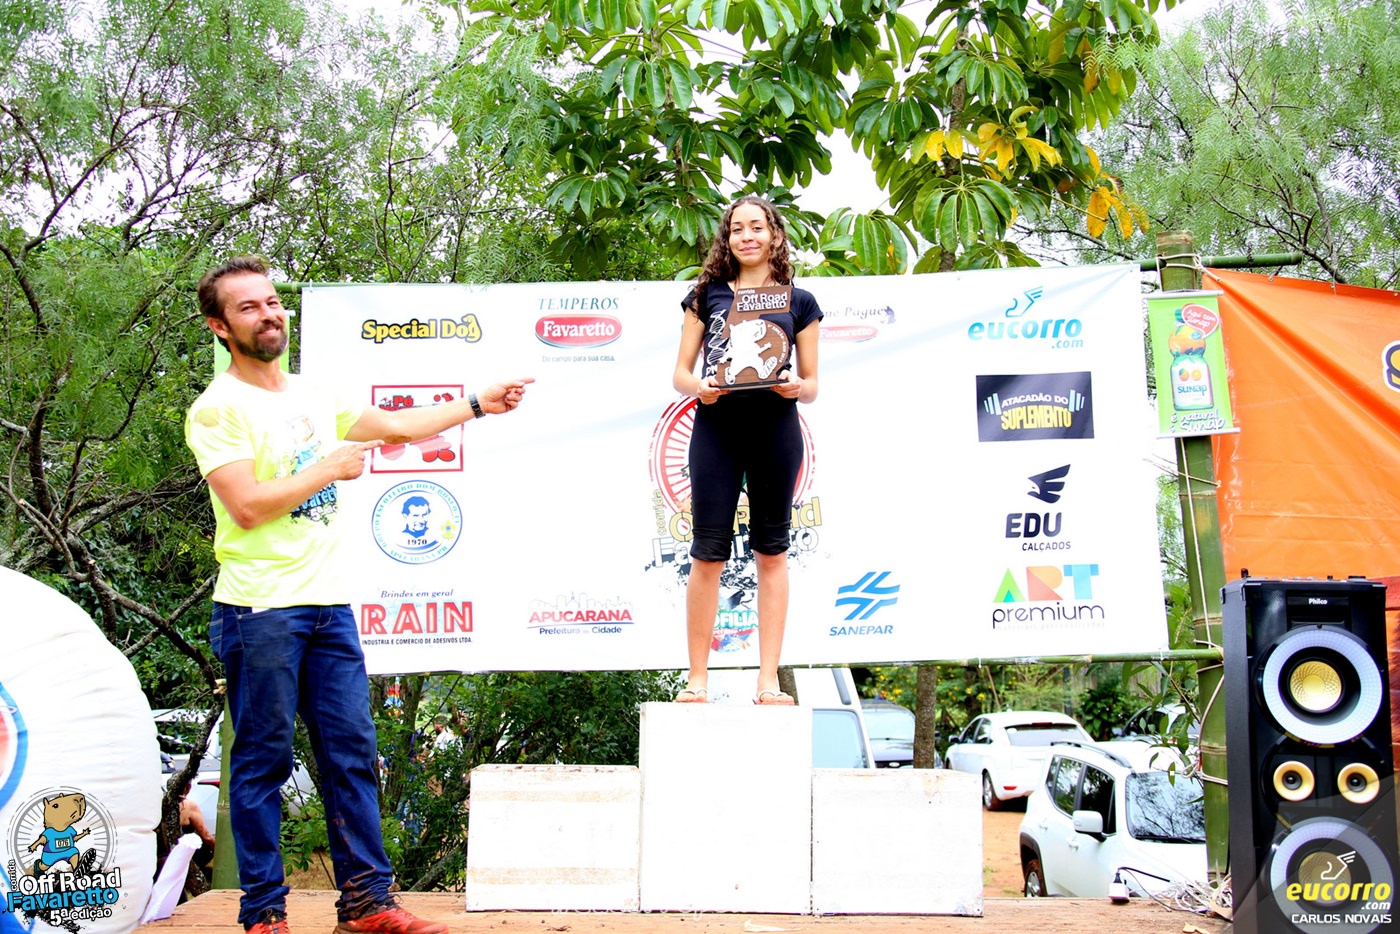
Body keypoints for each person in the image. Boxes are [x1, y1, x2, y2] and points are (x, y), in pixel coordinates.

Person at [184, 256, 532, 934]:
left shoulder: (312, 392)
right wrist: (327, 468)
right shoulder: (217, 408)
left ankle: (367, 904)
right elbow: (248, 506)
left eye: (272, 301)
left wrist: (477, 404)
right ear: (220, 327)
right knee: (261, 763)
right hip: (260, 609)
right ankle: (263, 914)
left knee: (351, 754)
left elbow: (397, 427)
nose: (269, 314)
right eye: (249, 307)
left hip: (329, 606)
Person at [669, 196, 821, 705]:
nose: (747, 236)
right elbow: (680, 374)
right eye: (737, 229)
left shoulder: (800, 301)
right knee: (706, 554)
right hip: (717, 431)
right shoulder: (705, 295)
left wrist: (796, 387)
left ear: (774, 235)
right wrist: (699, 388)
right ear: (727, 238)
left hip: (776, 432)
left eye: (757, 227)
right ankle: (697, 678)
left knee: (771, 553)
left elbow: (812, 385)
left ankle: (767, 680)